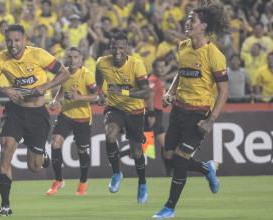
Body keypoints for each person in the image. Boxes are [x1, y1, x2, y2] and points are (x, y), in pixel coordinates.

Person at [0, 24, 70, 217]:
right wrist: (3, 89)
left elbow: (65, 73)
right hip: (15, 112)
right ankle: (5, 205)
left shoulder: (38, 55)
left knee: (35, 167)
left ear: (25, 40)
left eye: (16, 40)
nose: (12, 44)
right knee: (6, 147)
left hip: (37, 114)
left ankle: (42, 156)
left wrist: (45, 86)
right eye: (9, 41)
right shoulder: (0, 59)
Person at [153, 3, 229, 219]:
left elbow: (224, 91)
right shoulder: (183, 46)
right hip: (178, 110)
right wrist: (170, 92)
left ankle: (169, 208)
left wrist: (211, 120)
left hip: (199, 113)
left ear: (203, 26)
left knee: (179, 159)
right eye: (187, 18)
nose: (187, 22)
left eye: (192, 20)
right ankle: (207, 168)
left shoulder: (214, 55)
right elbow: (181, 72)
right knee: (168, 156)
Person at [95, 31, 154, 204]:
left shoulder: (137, 64)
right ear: (110, 48)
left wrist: (123, 91)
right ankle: (116, 173)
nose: (117, 52)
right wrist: (99, 92)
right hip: (115, 108)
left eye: (121, 48)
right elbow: (99, 74)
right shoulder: (102, 62)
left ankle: (142, 183)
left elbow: (146, 92)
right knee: (110, 133)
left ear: (126, 48)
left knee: (137, 152)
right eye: (114, 48)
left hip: (135, 111)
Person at [46, 47, 98, 196]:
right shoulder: (63, 73)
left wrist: (79, 98)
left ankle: (83, 182)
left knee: (82, 151)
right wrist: (55, 101)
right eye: (70, 57)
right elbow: (62, 90)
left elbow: (97, 96)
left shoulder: (87, 75)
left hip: (82, 118)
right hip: (66, 115)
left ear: (81, 59)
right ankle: (58, 180)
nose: (72, 60)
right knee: (55, 142)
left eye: (75, 57)